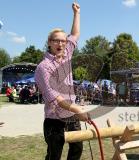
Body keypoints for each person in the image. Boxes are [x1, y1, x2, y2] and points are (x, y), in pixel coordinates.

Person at [34, 2, 89, 160]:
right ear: (49, 42)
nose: (61, 43)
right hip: (54, 120)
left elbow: (75, 34)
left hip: (71, 116)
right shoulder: (43, 67)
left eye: (63, 41)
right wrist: (78, 109)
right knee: (54, 156)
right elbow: (55, 97)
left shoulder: (67, 54)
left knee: (77, 150)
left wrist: (77, 13)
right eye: (56, 40)